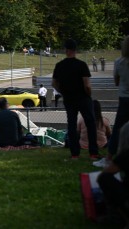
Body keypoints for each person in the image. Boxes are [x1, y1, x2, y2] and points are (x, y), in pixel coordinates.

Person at [52, 39, 99, 159]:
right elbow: (87, 84)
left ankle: (74, 154)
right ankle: (93, 152)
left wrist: (63, 92)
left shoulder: (60, 65)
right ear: (75, 50)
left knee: (72, 125)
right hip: (83, 97)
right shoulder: (81, 65)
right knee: (91, 124)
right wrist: (88, 94)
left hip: (69, 98)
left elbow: (54, 83)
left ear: (65, 50)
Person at [95, 36, 129, 167]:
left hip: (124, 98)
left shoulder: (119, 62)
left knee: (118, 129)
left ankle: (109, 158)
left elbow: (116, 82)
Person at [97, 121, 129, 228]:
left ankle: (119, 214)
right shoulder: (105, 121)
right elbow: (109, 132)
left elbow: (105, 174)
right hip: (103, 142)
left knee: (105, 178)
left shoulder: (125, 154)